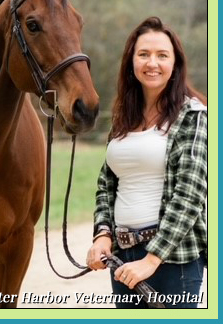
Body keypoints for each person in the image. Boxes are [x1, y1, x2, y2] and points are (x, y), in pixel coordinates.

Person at [86, 16, 207, 309]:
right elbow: (107, 183)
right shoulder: (123, 118)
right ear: (131, 61)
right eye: (143, 54)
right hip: (122, 256)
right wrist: (103, 235)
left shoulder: (194, 116)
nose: (152, 62)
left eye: (162, 55)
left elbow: (190, 196)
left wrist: (152, 259)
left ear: (175, 64)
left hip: (171, 258)